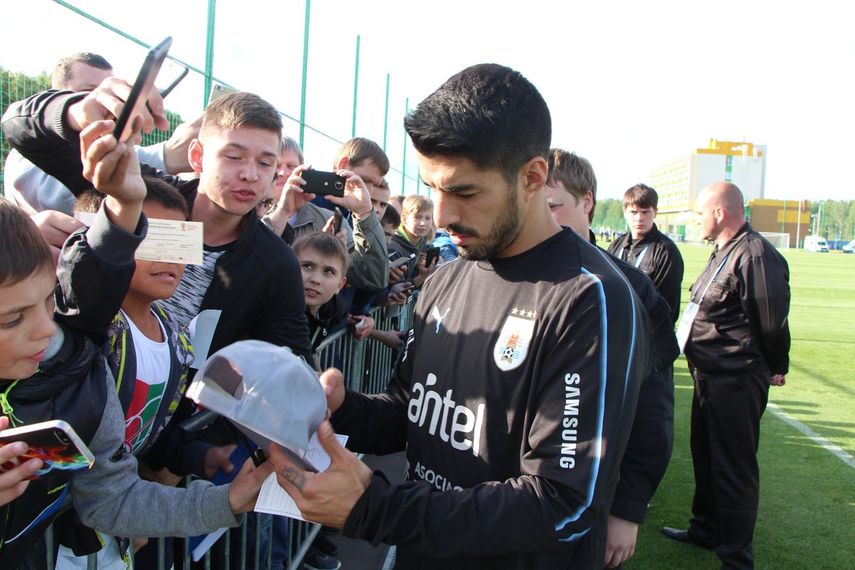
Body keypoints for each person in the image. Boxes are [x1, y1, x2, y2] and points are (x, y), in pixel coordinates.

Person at [267, 63, 651, 569]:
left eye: (464, 191)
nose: (444, 214)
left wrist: (376, 508)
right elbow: (412, 410)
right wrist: (343, 408)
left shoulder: (588, 299)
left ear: (532, 177)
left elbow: (563, 503)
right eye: (433, 187)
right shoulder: (447, 277)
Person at [0, 119, 271, 569]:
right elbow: (91, 279)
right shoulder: (94, 325)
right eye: (12, 318)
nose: (48, 328)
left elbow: (115, 489)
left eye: (49, 304)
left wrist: (212, 480)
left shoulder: (85, 365)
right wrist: (122, 203)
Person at [545, 148, 679, 568]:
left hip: (591, 499)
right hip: (519, 499)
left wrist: (628, 509)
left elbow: (653, 407)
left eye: (553, 206)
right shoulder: (520, 276)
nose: (542, 218)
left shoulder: (631, 290)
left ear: (587, 202)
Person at [662, 181, 790, 570]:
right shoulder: (724, 252)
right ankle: (705, 529)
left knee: (734, 468)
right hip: (709, 376)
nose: (698, 220)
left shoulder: (754, 255)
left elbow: (770, 322)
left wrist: (776, 365)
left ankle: (735, 557)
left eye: (701, 212)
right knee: (705, 456)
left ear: (719, 213)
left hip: (735, 379)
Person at [607, 183, 684, 322]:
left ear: (655, 211)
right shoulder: (615, 246)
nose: (639, 218)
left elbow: (667, 305)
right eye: (633, 212)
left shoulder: (666, 251)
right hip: (618, 328)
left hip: (649, 333)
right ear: (624, 211)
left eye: (645, 212)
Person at [387, 194, 438, 287]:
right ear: (404, 218)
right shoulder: (393, 249)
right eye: (417, 217)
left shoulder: (421, 240)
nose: (423, 223)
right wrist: (421, 277)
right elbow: (391, 290)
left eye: (427, 218)